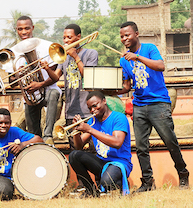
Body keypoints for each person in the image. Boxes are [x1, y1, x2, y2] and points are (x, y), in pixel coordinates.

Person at [118, 21, 189, 192]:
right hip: (139, 105)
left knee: (170, 141)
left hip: (159, 102)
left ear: (136, 33)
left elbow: (160, 66)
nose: (124, 38)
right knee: (141, 146)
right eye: (121, 36)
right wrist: (110, 91)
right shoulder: (123, 60)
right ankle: (148, 182)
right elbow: (127, 86)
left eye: (127, 35)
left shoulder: (149, 49)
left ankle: (183, 173)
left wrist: (138, 58)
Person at [8, 16, 61, 145]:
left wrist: (40, 84)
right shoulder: (12, 52)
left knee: (53, 93)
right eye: (20, 29)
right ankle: (35, 143)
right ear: (17, 30)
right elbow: (12, 82)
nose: (24, 32)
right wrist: (19, 75)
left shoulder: (47, 46)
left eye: (27, 28)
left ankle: (48, 135)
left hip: (48, 92)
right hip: (30, 96)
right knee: (33, 133)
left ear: (32, 28)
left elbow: (54, 76)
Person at [44, 24, 98, 150]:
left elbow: (88, 77)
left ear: (78, 37)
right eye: (64, 38)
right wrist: (47, 68)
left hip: (88, 110)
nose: (66, 41)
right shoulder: (64, 57)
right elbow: (56, 77)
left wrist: (76, 57)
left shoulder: (91, 53)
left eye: (69, 37)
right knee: (75, 150)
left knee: (93, 149)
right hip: (71, 111)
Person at [69, 91, 132, 197]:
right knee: (74, 155)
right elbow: (79, 146)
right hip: (102, 162)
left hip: (119, 163)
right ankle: (91, 190)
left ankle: (121, 182)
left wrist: (90, 129)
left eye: (95, 106)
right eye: (90, 108)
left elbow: (117, 142)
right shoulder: (93, 121)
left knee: (107, 182)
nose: (92, 110)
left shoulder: (119, 118)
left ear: (104, 101)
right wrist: (76, 131)